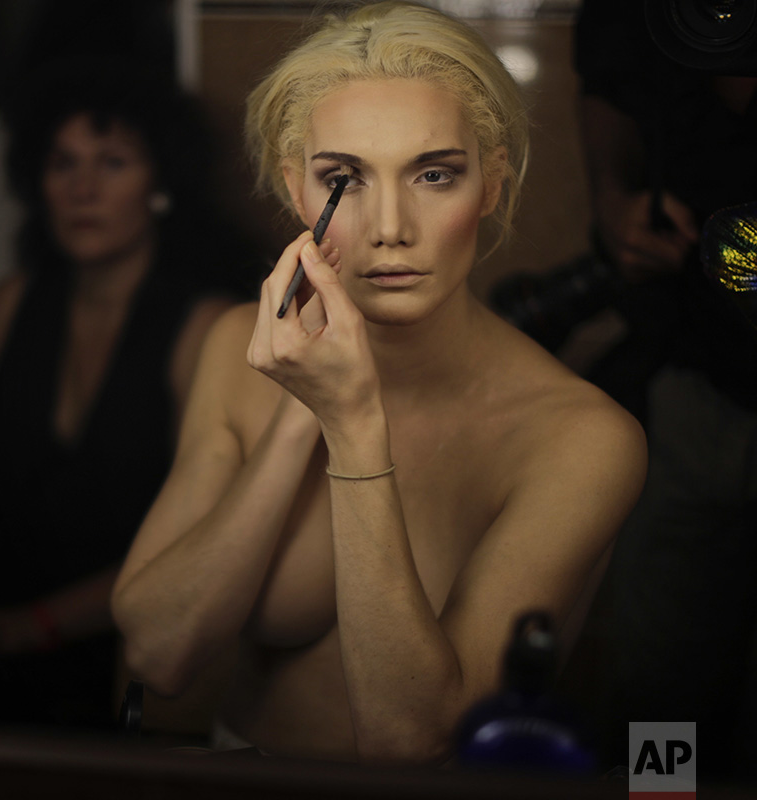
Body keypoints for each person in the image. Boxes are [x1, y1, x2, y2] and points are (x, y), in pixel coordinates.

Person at [111, 1, 647, 763]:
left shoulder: (579, 439)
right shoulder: (239, 348)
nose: (391, 225)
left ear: (491, 186)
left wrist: (356, 422)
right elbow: (159, 655)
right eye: (345, 179)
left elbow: (412, 743)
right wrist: (305, 412)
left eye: (434, 174)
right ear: (300, 193)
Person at [0, 59, 257, 731]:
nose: (83, 187)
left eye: (112, 163)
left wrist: (24, 630)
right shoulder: (9, 308)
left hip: (131, 632)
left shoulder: (206, 331)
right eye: (63, 164)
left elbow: (205, 550)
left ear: (161, 185)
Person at [574, 0, 757, 778]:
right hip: (690, 377)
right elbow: (608, 86)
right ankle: (661, 799)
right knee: (659, 685)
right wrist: (614, 202)